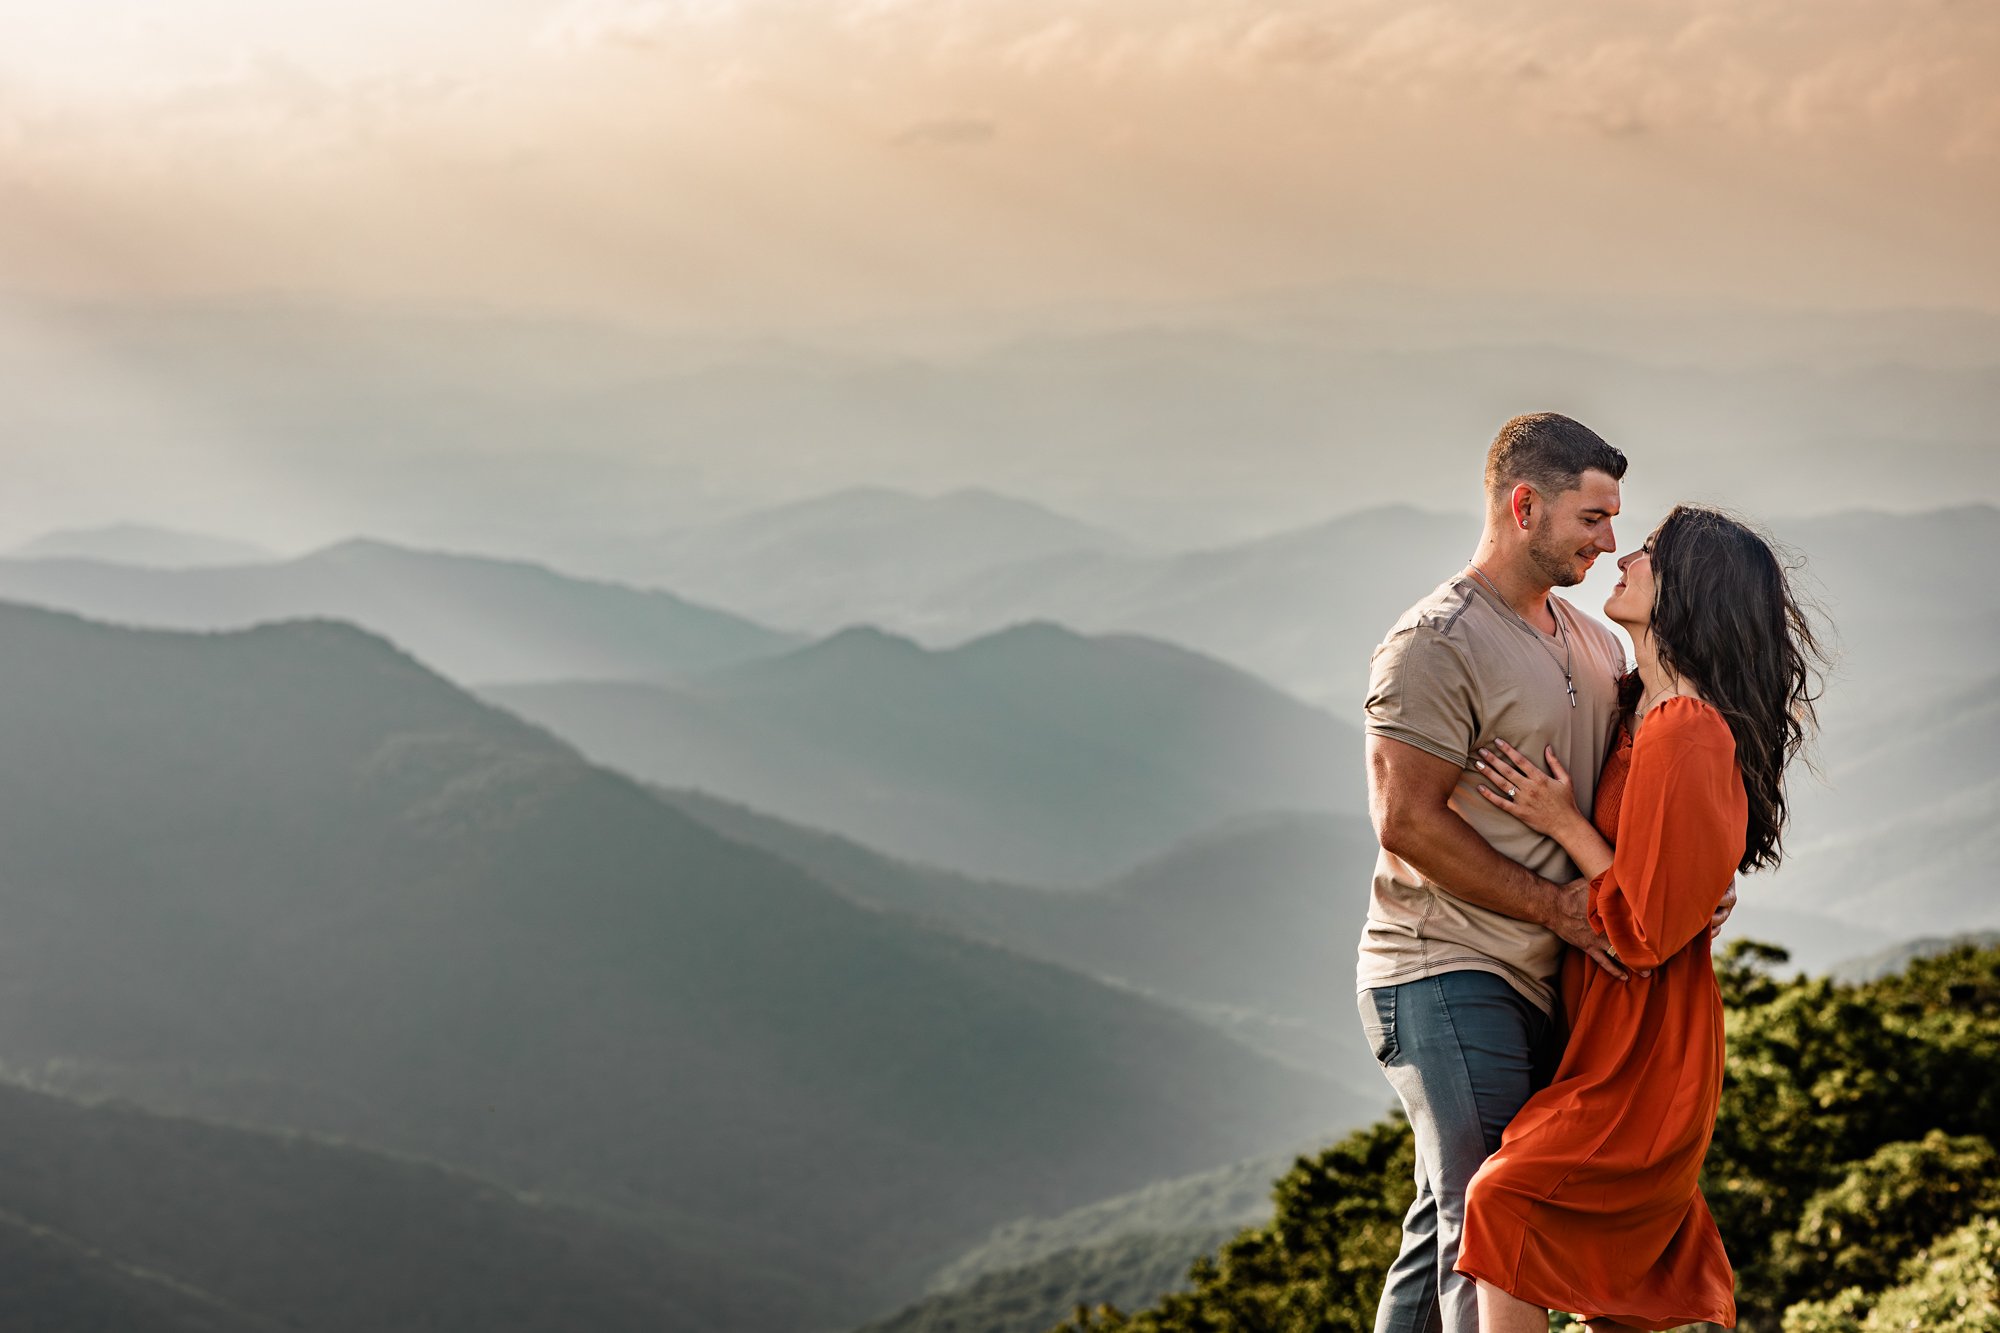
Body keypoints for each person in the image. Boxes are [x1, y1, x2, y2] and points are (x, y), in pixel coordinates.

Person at [1452, 506, 1823, 1331]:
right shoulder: (1643, 708)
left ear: (1688, 587)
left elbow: (1645, 929)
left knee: (1504, 1200)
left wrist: (1562, 822)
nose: (1625, 557)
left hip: (1646, 1044)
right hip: (1612, 1025)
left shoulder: (1685, 729)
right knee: (1608, 1285)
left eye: (1649, 552)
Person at [1358, 412, 1663, 1333]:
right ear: (1524, 506)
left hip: (1544, 977)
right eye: (1592, 518)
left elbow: (1619, 796)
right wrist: (1555, 908)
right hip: (1445, 965)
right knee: (1489, 1228)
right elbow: (1406, 818)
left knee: (1442, 1230)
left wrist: (1684, 881)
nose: (1609, 543)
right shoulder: (1433, 643)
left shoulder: (1596, 642)